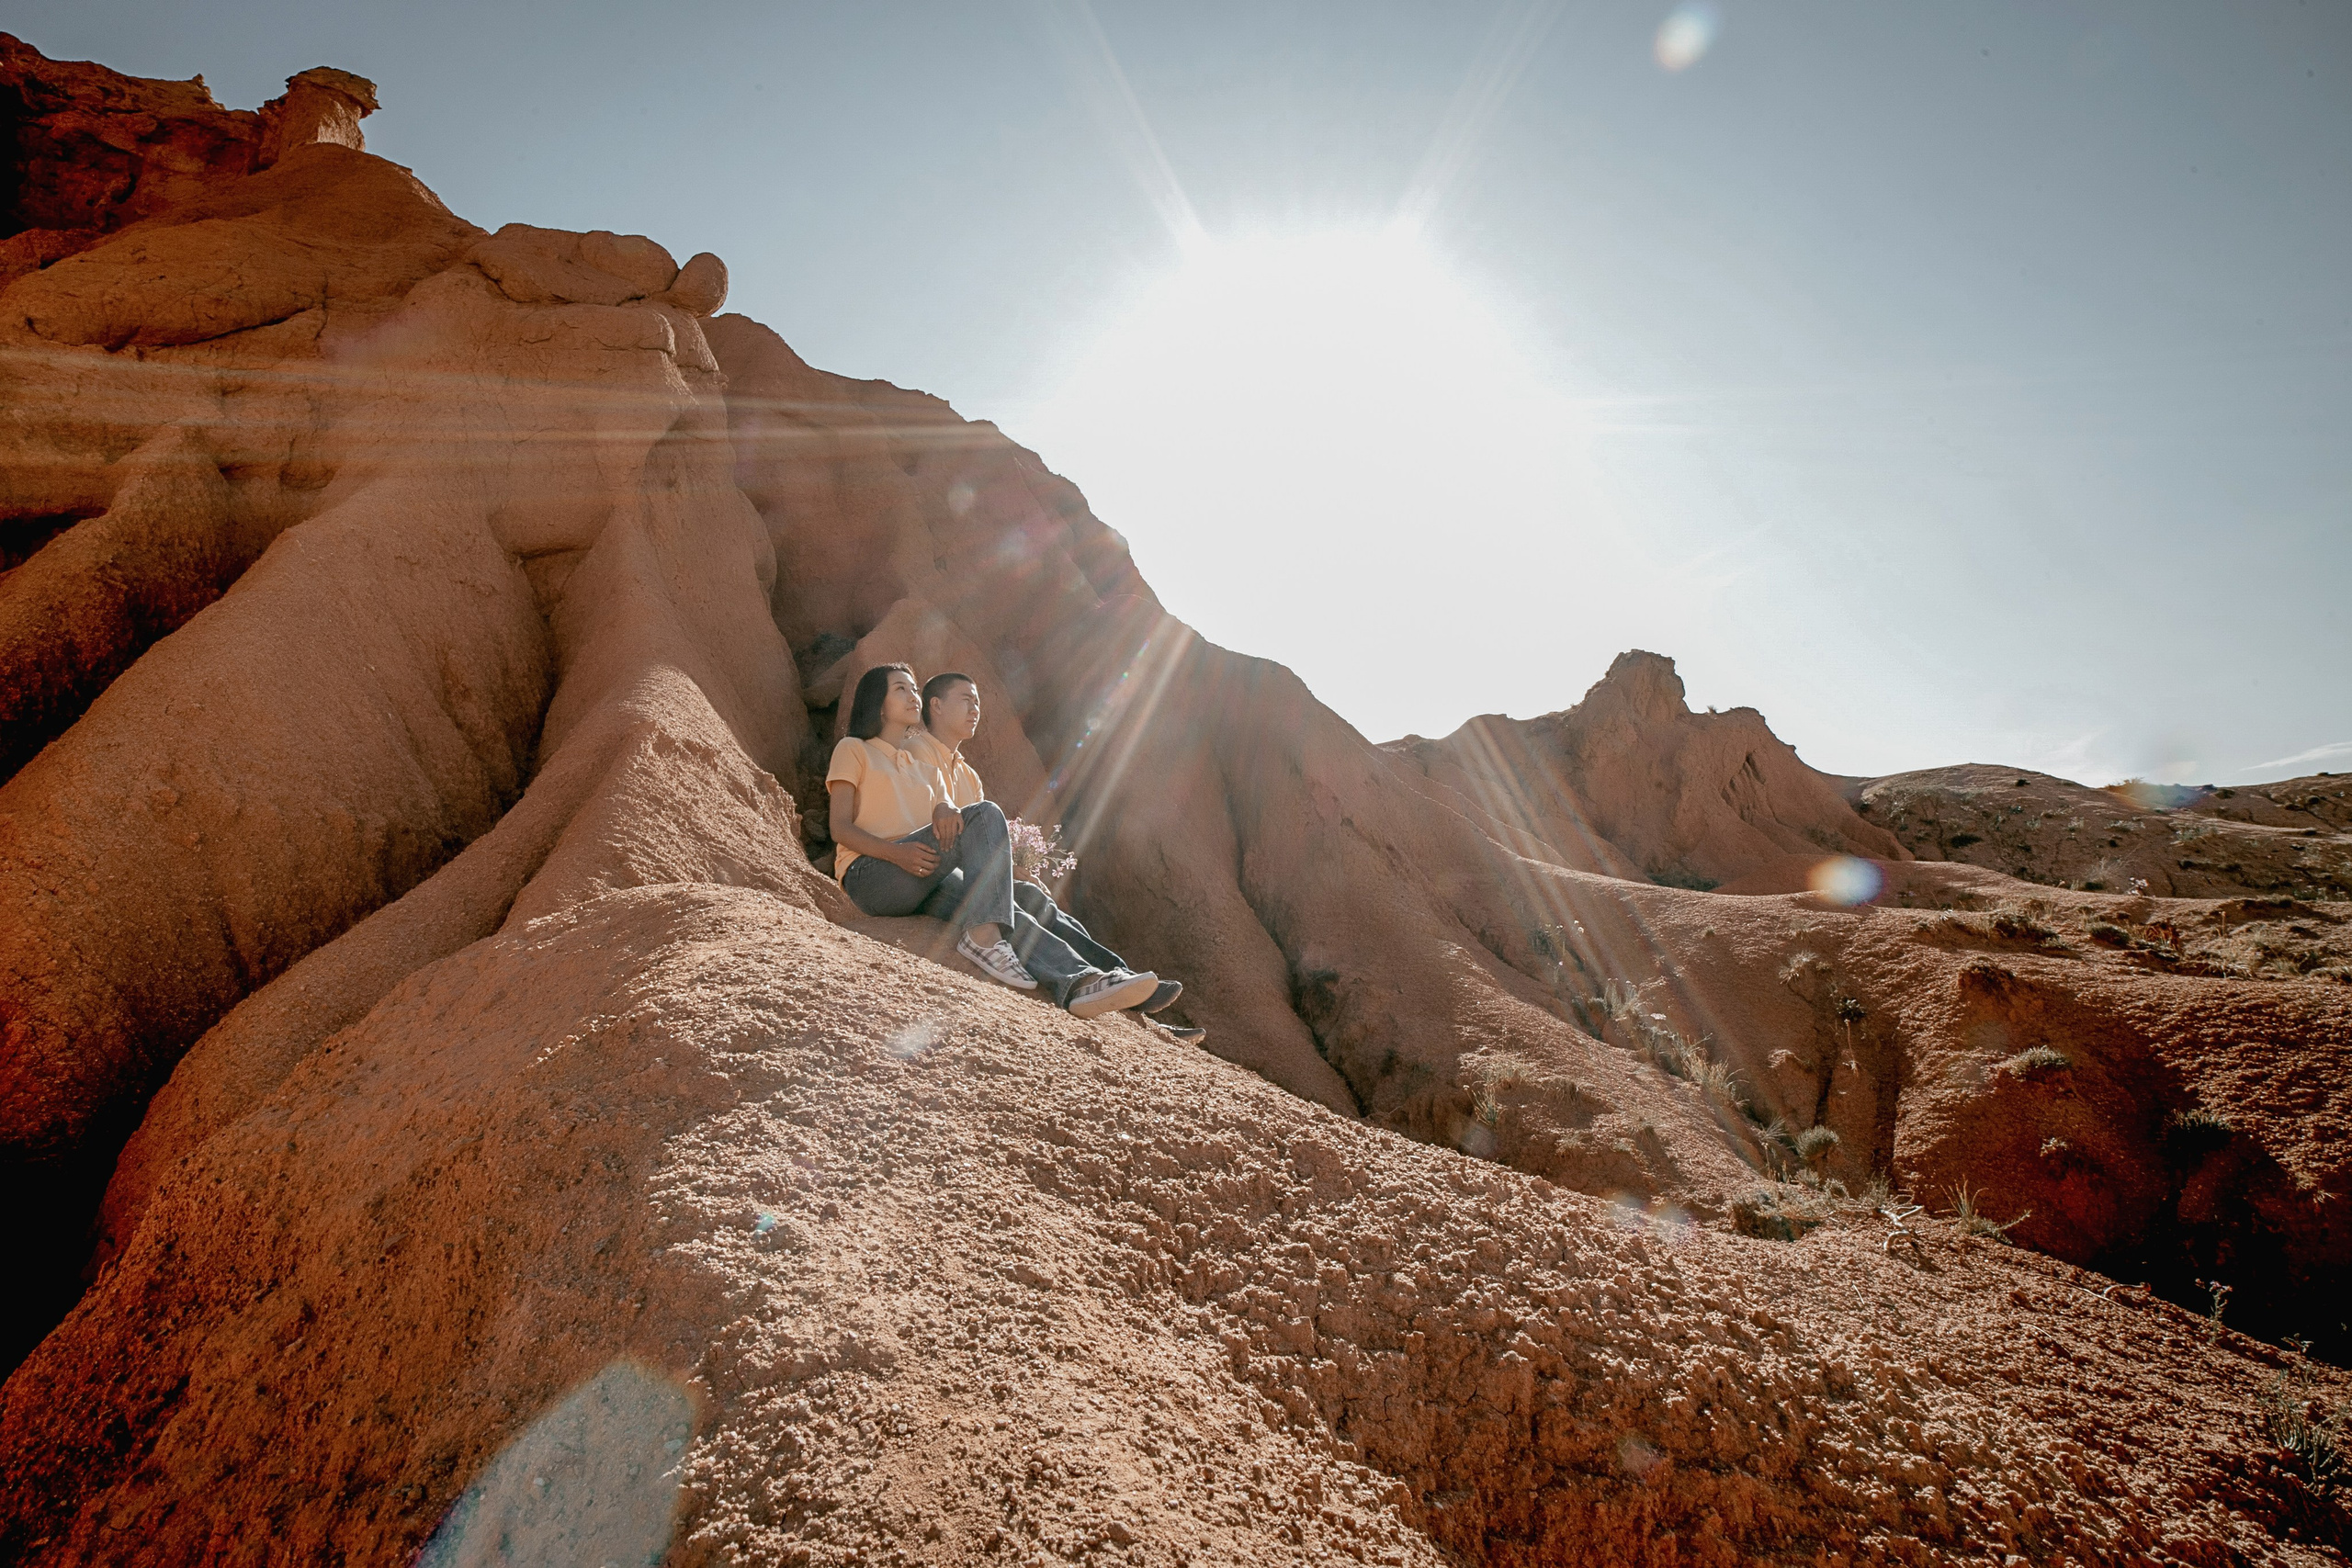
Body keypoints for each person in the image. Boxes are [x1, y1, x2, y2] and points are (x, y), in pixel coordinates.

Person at [826, 664, 1159, 1020]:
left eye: (914, 689)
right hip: (873, 875)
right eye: (901, 690)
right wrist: (898, 853)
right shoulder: (854, 750)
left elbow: (946, 811)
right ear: (878, 703)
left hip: (922, 875)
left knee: (1007, 910)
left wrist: (944, 813)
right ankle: (982, 940)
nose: (913, 696)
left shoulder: (927, 770)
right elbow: (840, 828)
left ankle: (1080, 983)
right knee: (984, 814)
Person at [911, 671, 1203, 1041]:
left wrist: (1015, 870)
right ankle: (1078, 981)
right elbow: (921, 825)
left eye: (979, 702)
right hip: (931, 873)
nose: (975, 709)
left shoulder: (968, 776)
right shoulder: (914, 753)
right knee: (1011, 913)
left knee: (1035, 898)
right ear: (935, 705)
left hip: (965, 873)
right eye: (966, 700)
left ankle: (1126, 985)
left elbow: (979, 844)